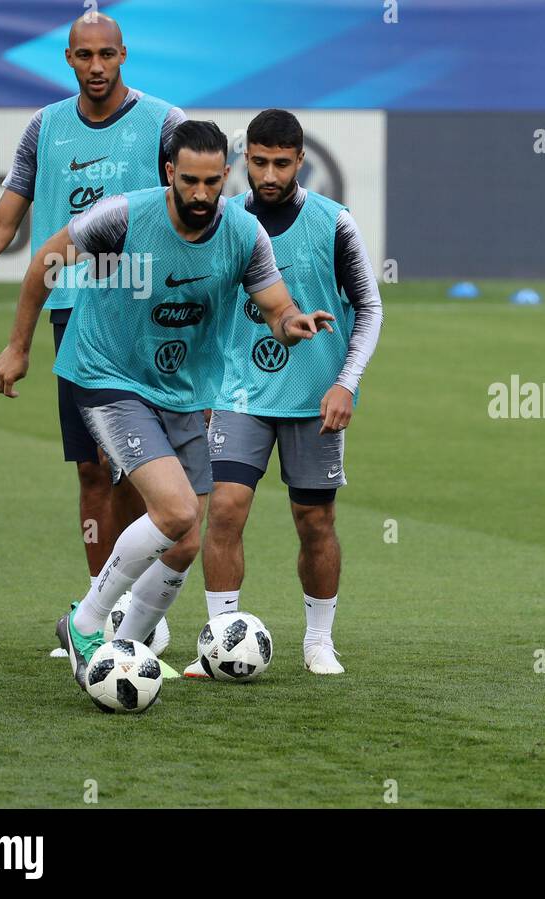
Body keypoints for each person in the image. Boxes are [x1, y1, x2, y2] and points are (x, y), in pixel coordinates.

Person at [0, 120, 333, 686]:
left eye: (212, 183)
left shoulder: (245, 234)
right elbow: (43, 265)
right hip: (107, 375)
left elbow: (276, 306)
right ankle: (87, 622)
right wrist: (18, 346)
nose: (201, 195)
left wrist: (292, 324)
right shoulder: (123, 216)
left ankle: (123, 646)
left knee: (186, 540)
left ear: (226, 175)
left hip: (181, 389)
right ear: (170, 173)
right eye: (190, 181)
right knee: (174, 513)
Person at [0, 14, 184, 650]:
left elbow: (200, 207)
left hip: (147, 313)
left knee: (140, 470)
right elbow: (4, 222)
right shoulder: (47, 127)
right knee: (93, 471)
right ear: (67, 58)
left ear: (123, 55)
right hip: (74, 318)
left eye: (106, 54)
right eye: (84, 55)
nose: (96, 66)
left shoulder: (163, 124)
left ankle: (141, 607)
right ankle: (101, 614)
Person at [187, 109, 382, 678]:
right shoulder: (218, 221)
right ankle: (221, 637)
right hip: (236, 393)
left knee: (313, 522)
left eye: (280, 163)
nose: (268, 175)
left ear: (301, 162)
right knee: (223, 510)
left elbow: (369, 309)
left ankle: (319, 640)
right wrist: (198, 383)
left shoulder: (333, 222)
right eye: (258, 162)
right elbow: (200, 309)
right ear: (242, 159)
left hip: (313, 399)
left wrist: (346, 382)